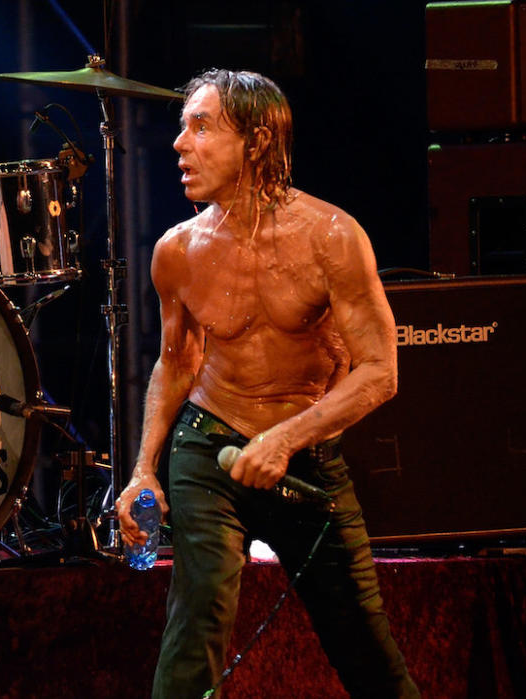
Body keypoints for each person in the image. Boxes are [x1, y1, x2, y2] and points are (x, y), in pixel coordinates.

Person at [115, 69, 420, 698]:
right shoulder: (176, 251)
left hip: (304, 454)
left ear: (255, 141)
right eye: (182, 126)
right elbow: (175, 363)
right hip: (208, 446)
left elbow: (380, 371)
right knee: (194, 626)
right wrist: (144, 469)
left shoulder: (331, 237)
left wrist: (284, 440)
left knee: (362, 641)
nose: (179, 143)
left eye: (201, 126)